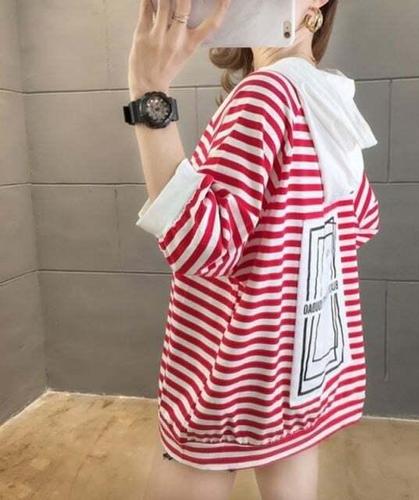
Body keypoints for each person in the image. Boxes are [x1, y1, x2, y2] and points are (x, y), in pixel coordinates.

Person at [130, 1, 380, 499]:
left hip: (231, 373)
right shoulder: (329, 95)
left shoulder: (264, 96)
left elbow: (201, 247)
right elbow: (362, 223)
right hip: (304, 373)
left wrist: (148, 92)